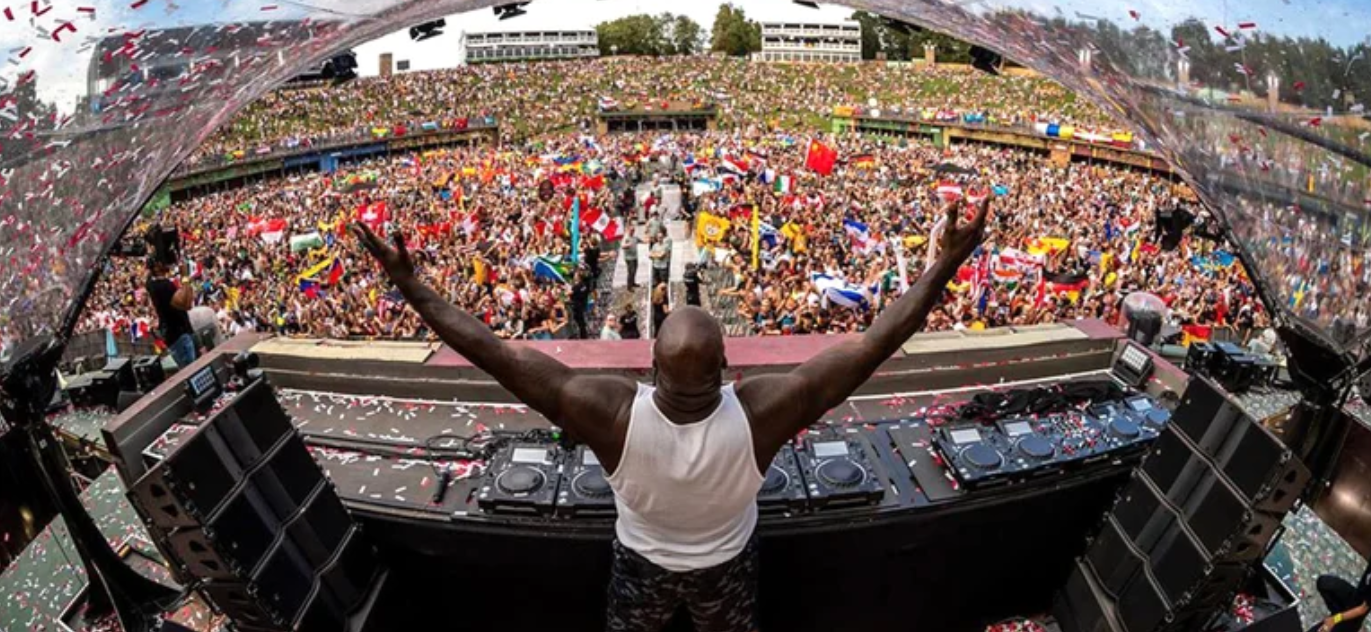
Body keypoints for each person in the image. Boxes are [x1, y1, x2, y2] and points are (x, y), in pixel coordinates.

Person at [351, 196, 989, 632]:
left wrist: (411, 286)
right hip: (728, 568)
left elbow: (491, 352)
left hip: (641, 568)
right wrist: (947, 263)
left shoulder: (608, 413)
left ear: (650, 368)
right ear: (727, 368)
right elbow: (874, 342)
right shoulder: (766, 411)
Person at [145, 259, 197, 368]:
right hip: (179, 335)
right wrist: (185, 277)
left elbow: (148, 275)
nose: (166, 263)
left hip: (171, 337)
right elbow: (186, 304)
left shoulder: (150, 284)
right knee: (192, 371)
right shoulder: (165, 286)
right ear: (156, 268)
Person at [1310, 563, 1370, 632]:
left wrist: (1335, 619)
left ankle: (1345, 625)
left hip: (1356, 613)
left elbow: (1362, 609)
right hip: (1354, 596)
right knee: (1323, 583)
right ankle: (1337, 613)